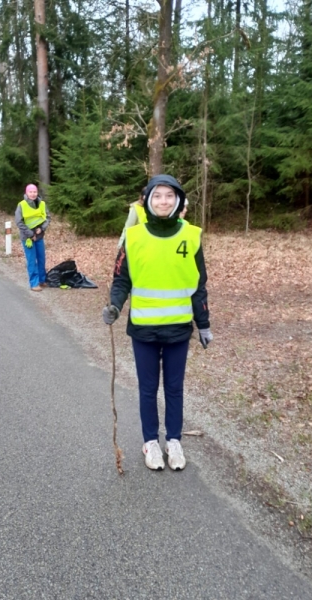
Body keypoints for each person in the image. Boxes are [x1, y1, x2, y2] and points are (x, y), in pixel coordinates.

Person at [103, 174, 213, 472]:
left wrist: (203, 324)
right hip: (144, 329)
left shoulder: (191, 236)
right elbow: (121, 279)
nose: (163, 201)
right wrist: (115, 305)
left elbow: (198, 285)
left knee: (174, 388)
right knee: (148, 388)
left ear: (178, 200)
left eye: (169, 196)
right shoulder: (134, 237)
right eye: (157, 196)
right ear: (148, 200)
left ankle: (174, 441)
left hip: (179, 329)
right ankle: (150, 441)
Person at [15, 184, 50, 292]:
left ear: (37, 192)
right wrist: (31, 234)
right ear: (26, 193)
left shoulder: (42, 204)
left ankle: (42, 280)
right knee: (31, 260)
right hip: (27, 238)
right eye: (30, 192)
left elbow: (47, 218)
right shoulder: (21, 205)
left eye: (34, 192)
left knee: (41, 258)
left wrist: (42, 228)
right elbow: (19, 222)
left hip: (39, 236)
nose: (33, 194)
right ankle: (34, 283)